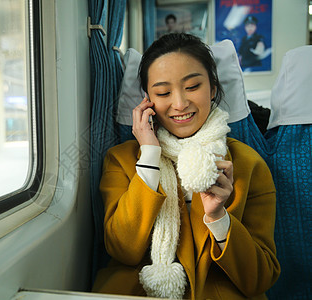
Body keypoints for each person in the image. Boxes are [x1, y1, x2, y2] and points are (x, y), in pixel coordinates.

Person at [92, 33, 280, 299]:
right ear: (147, 100)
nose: (179, 104)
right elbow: (123, 250)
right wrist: (149, 156)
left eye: (192, 87)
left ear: (213, 89)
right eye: (163, 92)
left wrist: (218, 217)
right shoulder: (122, 160)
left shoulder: (248, 164)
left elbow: (260, 278)